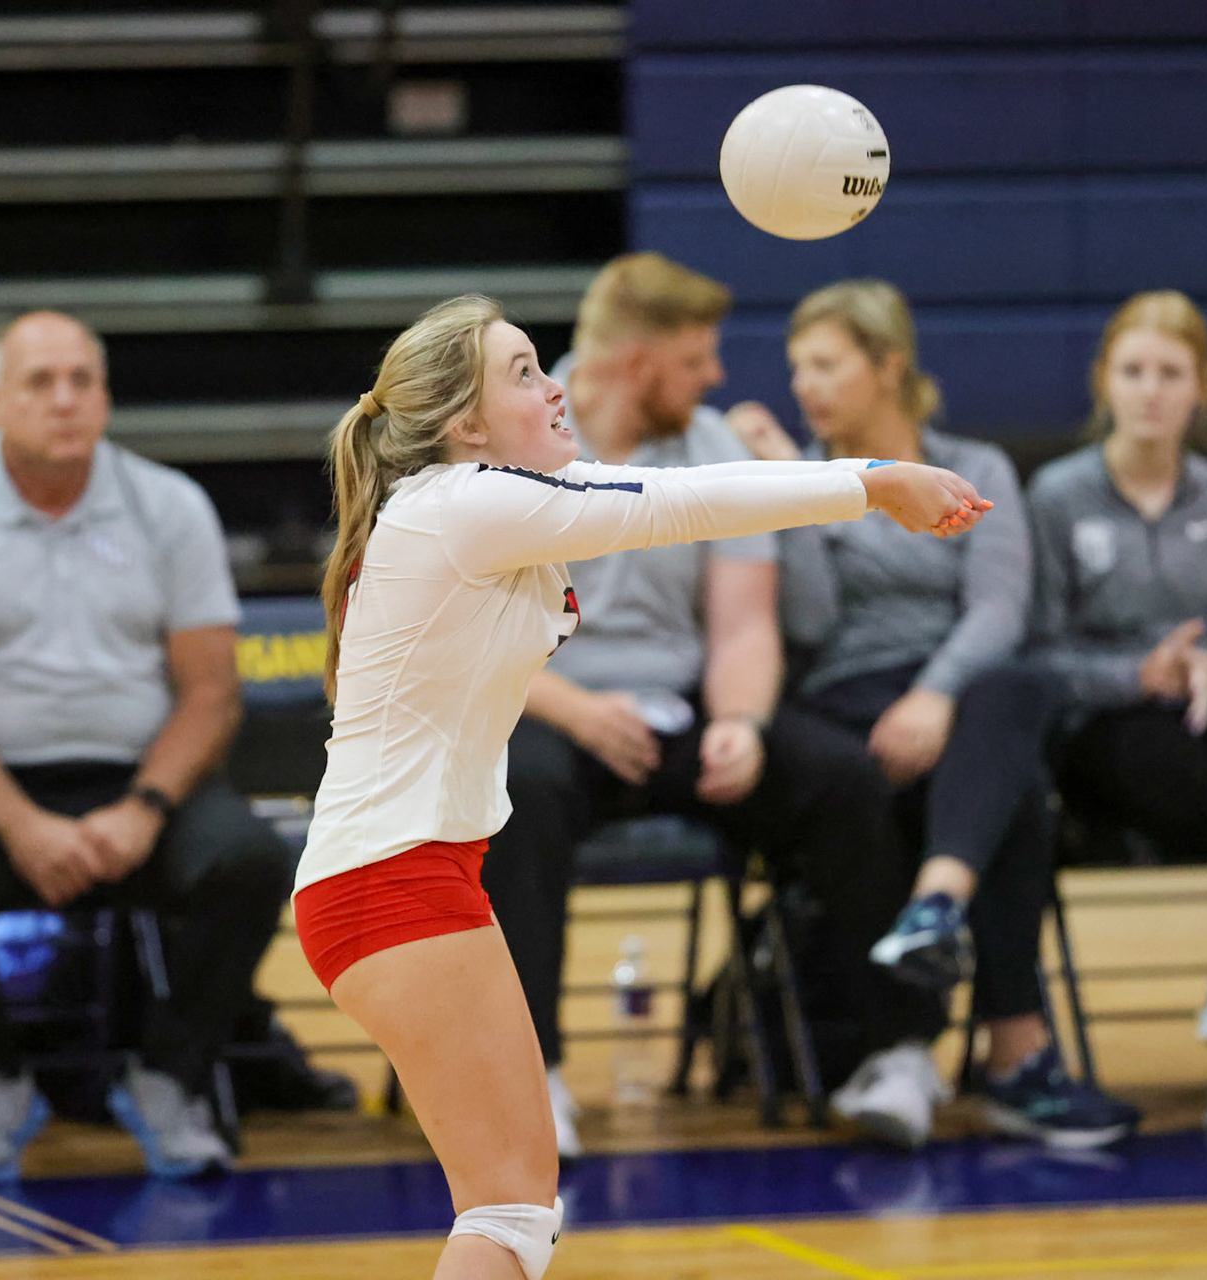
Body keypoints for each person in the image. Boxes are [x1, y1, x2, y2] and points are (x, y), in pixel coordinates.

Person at [297, 292, 985, 1280]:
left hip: (403, 883)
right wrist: (873, 479)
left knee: (510, 1206)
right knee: (509, 1207)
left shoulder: (477, 501)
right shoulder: (463, 503)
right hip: (393, 890)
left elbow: (658, 490)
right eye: (526, 372)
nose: (555, 385)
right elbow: (680, 502)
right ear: (465, 424)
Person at [477, 254, 922, 1157]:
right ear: (639, 362)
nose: (716, 378)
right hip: (547, 703)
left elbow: (745, 625)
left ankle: (896, 1052)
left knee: (841, 779)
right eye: (696, 360)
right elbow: (468, 631)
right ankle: (537, 1078)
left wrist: (742, 724)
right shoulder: (512, 436)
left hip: (679, 706)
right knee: (517, 794)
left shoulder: (712, 444)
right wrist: (572, 709)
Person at [0, 311, 295, 1181]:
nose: (64, 401)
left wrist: (144, 810)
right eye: (39, 382)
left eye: (82, 381)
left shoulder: (171, 507)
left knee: (251, 859)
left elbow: (212, 693)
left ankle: (168, 1075)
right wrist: (23, 824)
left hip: (140, 787)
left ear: (105, 398)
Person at [729, 280, 1139, 1148]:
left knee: (1017, 692)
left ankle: (933, 930)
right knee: (1009, 783)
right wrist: (792, 490)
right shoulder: (807, 472)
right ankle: (1011, 1058)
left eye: (826, 364)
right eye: (797, 366)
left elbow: (999, 610)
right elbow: (807, 622)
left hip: (956, 690)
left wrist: (935, 696)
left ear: (889, 366)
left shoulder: (978, 468)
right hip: (846, 697)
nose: (805, 385)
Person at [1025, 290, 1207, 1142]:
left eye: (1170, 373)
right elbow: (1033, 664)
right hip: (1098, 749)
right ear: (1104, 380)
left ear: (1201, 391)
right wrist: (1135, 675)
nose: (1150, 390)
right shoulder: (1058, 497)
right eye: (1133, 370)